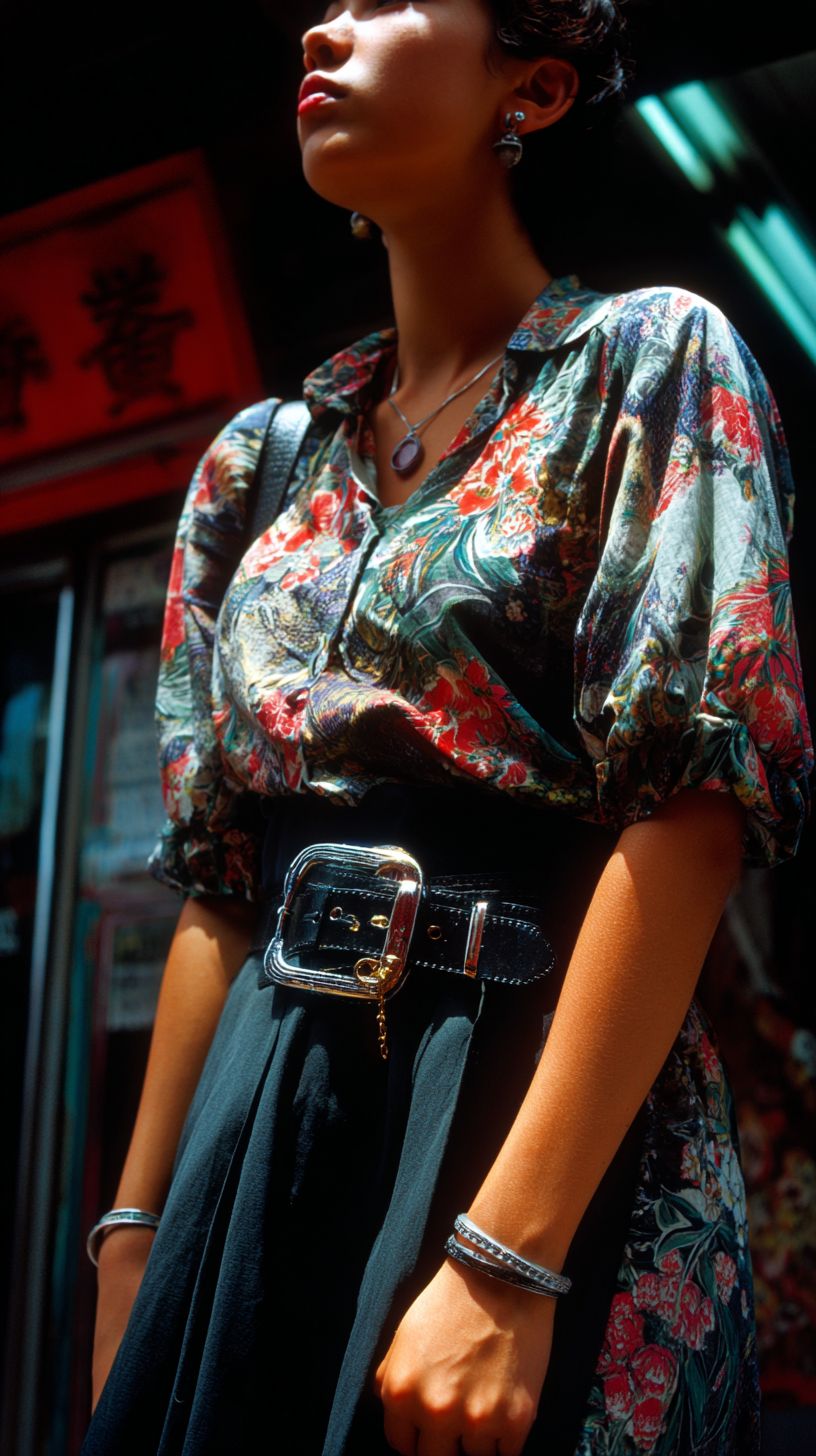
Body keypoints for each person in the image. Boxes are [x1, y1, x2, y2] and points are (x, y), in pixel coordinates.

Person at [82, 2, 813, 1453]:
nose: (322, 24)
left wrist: (508, 1260)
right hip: (257, 1116)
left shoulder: (645, 365)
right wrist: (127, 1234)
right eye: (322, 1)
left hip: (516, 1092)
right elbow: (222, 880)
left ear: (530, 87)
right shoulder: (258, 466)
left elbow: (689, 809)